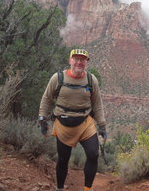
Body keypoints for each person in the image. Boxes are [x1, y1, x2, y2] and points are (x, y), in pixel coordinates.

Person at [38, 49, 107, 191]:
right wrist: (42, 119)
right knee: (63, 159)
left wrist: (102, 125)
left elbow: (97, 103)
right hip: (63, 124)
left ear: (86, 62)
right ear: (70, 61)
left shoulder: (91, 80)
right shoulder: (58, 78)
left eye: (83, 59)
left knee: (93, 154)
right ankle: (60, 188)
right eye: (76, 59)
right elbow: (46, 99)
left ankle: (87, 189)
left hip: (85, 123)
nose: (79, 62)